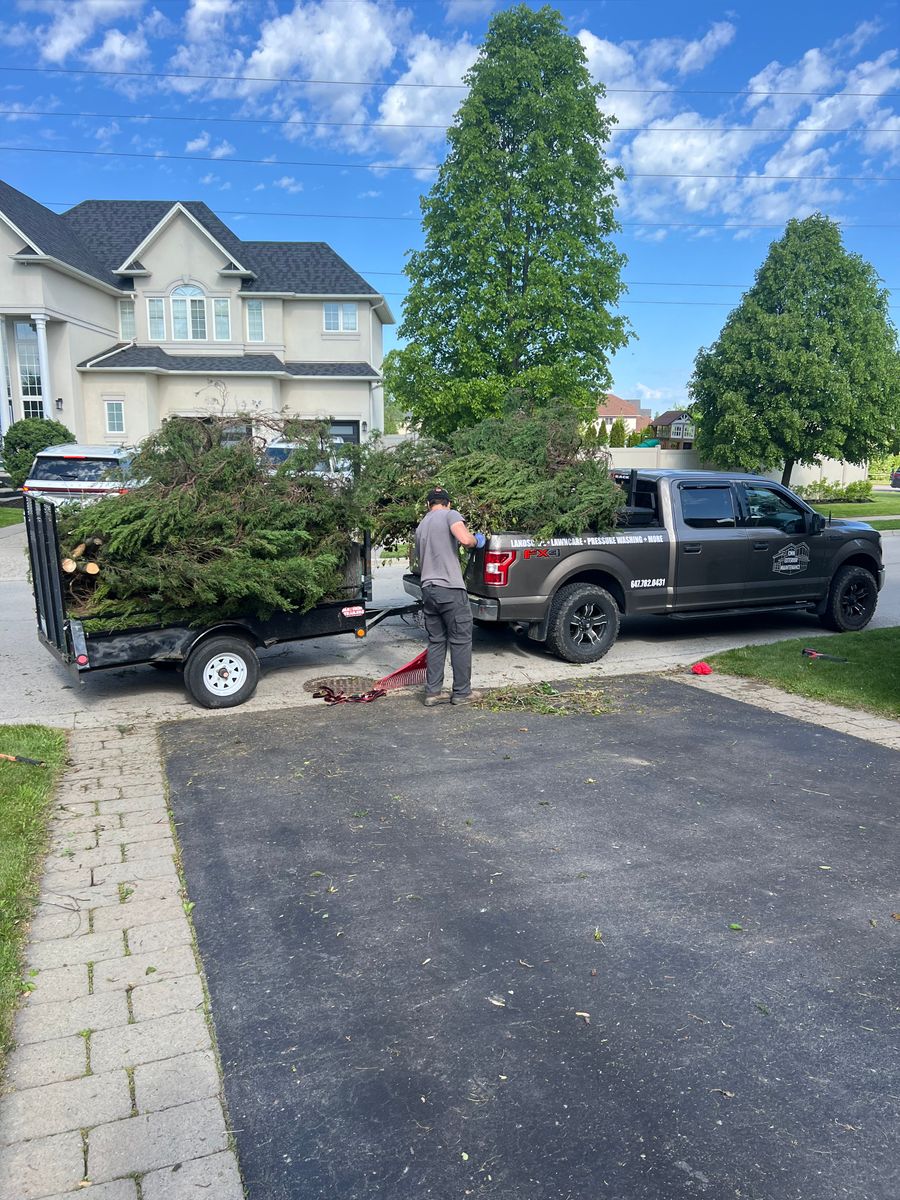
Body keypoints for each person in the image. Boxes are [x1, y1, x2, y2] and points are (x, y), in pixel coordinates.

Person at [414, 487, 486, 706]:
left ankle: (433, 692)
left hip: (428, 589)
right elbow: (464, 539)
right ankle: (462, 692)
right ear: (448, 503)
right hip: (450, 590)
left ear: (428, 504)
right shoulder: (450, 515)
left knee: (436, 641)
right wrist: (476, 540)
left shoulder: (421, 526)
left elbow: (422, 558)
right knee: (461, 640)